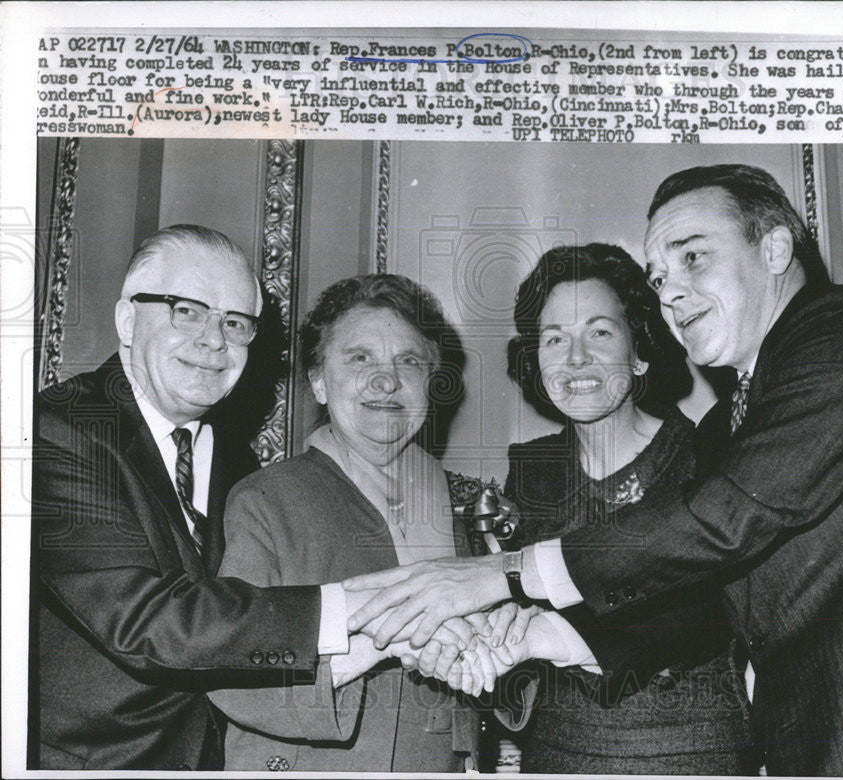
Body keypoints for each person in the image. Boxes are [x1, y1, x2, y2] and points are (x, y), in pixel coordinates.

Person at [344, 165, 843, 777]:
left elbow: (730, 516)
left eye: (693, 258)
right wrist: (536, 640)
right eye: (660, 277)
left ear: (776, 248)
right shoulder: (726, 423)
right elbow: (703, 599)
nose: (672, 291)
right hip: (799, 732)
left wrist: (504, 573)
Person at [29, 225, 408, 770]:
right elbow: (146, 624)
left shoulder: (240, 463)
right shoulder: (57, 430)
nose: (215, 340)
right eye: (188, 310)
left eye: (235, 323)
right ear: (127, 320)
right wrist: (369, 612)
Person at [208, 274, 487, 771]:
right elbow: (224, 669)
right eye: (360, 358)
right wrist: (372, 645)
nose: (387, 380)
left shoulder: (451, 502)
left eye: (409, 361)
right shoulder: (267, 500)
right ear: (318, 380)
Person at [498, 243, 753, 774]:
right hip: (555, 749)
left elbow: (716, 615)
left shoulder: (706, 455)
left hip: (687, 748)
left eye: (599, 332)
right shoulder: (530, 470)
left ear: (638, 352)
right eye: (554, 339)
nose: (575, 359)